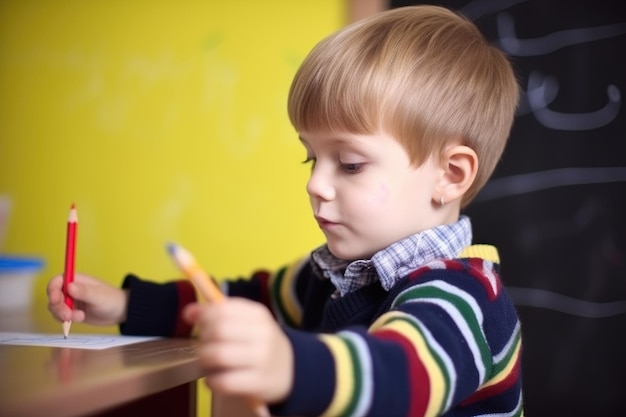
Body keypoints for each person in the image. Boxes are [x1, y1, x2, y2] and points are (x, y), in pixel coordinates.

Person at [47, 5, 523, 416]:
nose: (315, 184)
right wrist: (127, 305)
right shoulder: (335, 275)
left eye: (351, 164)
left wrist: (289, 365)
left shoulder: (464, 296)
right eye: (311, 158)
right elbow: (239, 302)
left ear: (451, 175)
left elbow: (402, 377)